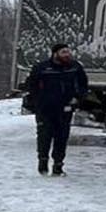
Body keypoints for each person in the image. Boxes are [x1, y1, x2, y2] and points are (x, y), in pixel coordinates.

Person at [25, 44, 88, 176]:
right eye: (63, 52)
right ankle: (43, 162)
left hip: (65, 108)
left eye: (68, 52)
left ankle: (58, 165)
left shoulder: (75, 67)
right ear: (55, 54)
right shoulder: (42, 68)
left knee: (62, 137)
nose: (67, 55)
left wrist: (78, 98)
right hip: (45, 109)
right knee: (44, 136)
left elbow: (83, 84)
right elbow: (31, 86)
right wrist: (37, 102)